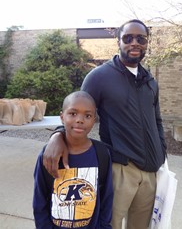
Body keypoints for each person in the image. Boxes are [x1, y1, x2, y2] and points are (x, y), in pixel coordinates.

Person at [43, 19, 167, 229]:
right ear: (118, 42)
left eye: (141, 38)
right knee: (110, 224)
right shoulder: (99, 76)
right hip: (121, 168)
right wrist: (57, 135)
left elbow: (157, 120)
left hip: (151, 172)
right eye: (128, 38)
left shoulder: (150, 81)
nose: (134, 43)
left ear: (147, 43)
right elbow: (77, 110)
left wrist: (162, 151)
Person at [33, 91, 113, 229]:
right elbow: (39, 201)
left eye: (87, 115)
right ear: (62, 117)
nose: (80, 120)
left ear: (94, 120)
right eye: (73, 113)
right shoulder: (49, 155)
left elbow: (107, 197)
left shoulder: (102, 154)